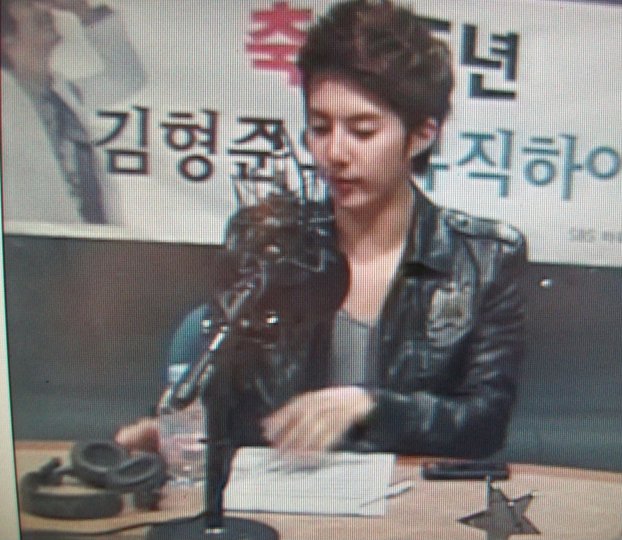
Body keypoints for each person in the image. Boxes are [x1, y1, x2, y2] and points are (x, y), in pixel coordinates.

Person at [117, 0, 526, 460]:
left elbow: (484, 424)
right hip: (282, 490)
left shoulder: (483, 258)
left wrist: (370, 407)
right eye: (320, 127)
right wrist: (175, 427)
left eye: (362, 131)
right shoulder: (265, 242)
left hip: (412, 496)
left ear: (421, 135)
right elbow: (224, 392)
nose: (335, 153)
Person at [1, 0, 144, 225]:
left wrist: (83, 11)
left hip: (85, 233)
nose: (43, 8)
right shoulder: (8, 99)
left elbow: (127, 77)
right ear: (6, 39)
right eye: (27, 3)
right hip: (31, 234)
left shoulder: (64, 93)